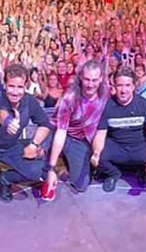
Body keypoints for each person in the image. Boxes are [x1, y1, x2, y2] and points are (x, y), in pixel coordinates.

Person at [0, 64, 53, 225]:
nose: (15, 91)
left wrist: (34, 144)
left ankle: (4, 179)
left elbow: (45, 124)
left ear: (26, 86)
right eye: (11, 86)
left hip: (10, 146)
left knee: (36, 171)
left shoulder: (29, 101)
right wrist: (8, 121)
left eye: (20, 87)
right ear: (4, 84)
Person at [42, 60, 111, 200]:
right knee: (43, 150)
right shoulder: (70, 98)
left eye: (94, 80)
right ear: (80, 78)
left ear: (101, 79)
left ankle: (69, 163)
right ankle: (48, 171)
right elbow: (61, 133)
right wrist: (51, 168)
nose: (90, 84)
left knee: (81, 185)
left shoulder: (107, 92)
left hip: (87, 140)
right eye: (86, 79)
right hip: (65, 135)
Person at [92, 67, 146, 192]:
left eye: (127, 85)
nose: (123, 90)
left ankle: (141, 171)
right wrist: (96, 153)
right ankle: (113, 173)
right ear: (114, 87)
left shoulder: (144, 104)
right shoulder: (107, 106)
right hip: (117, 146)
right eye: (120, 85)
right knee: (97, 157)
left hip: (139, 146)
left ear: (133, 86)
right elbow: (100, 134)